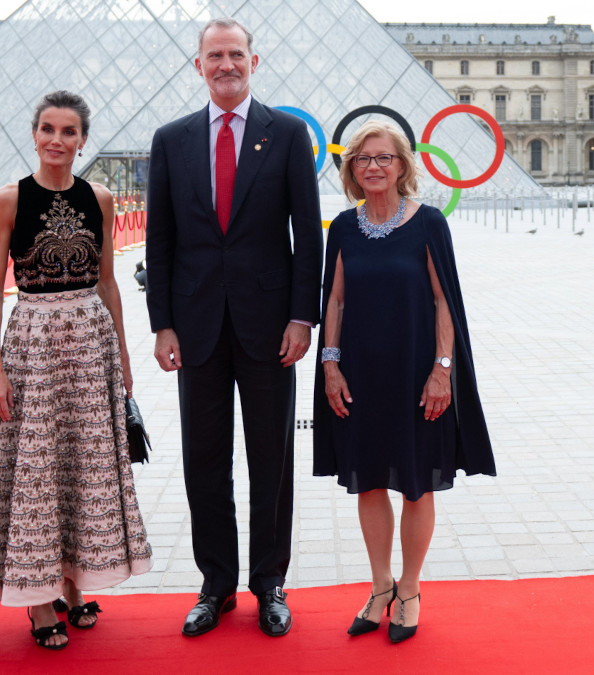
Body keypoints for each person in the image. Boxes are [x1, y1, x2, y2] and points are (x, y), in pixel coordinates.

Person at [145, 17, 322, 638]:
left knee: (270, 458)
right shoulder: (170, 140)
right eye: (214, 55)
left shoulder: (289, 134)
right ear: (198, 66)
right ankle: (216, 582)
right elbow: (160, 241)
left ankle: (269, 581)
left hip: (272, 326)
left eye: (235, 54)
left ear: (254, 60)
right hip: (195, 328)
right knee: (203, 460)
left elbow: (308, 235)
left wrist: (304, 316)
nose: (226, 64)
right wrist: (161, 324)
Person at [0, 90, 152, 650]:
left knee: (81, 465)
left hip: (90, 343)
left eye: (69, 132)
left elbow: (109, 282)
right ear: (34, 133)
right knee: (37, 469)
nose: (57, 140)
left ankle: (73, 582)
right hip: (34, 345)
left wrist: (122, 356)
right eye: (48, 129)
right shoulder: (7, 200)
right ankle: (39, 600)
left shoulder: (101, 197)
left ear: (83, 140)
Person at [313, 120, 496, 644]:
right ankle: (380, 586)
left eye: (383, 158)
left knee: (417, 482)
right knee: (368, 479)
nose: (373, 166)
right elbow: (335, 300)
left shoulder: (429, 222)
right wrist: (330, 365)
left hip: (417, 374)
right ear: (351, 168)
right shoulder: (343, 227)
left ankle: (410, 589)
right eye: (362, 158)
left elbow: (445, 301)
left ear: (402, 165)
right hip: (359, 374)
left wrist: (443, 371)